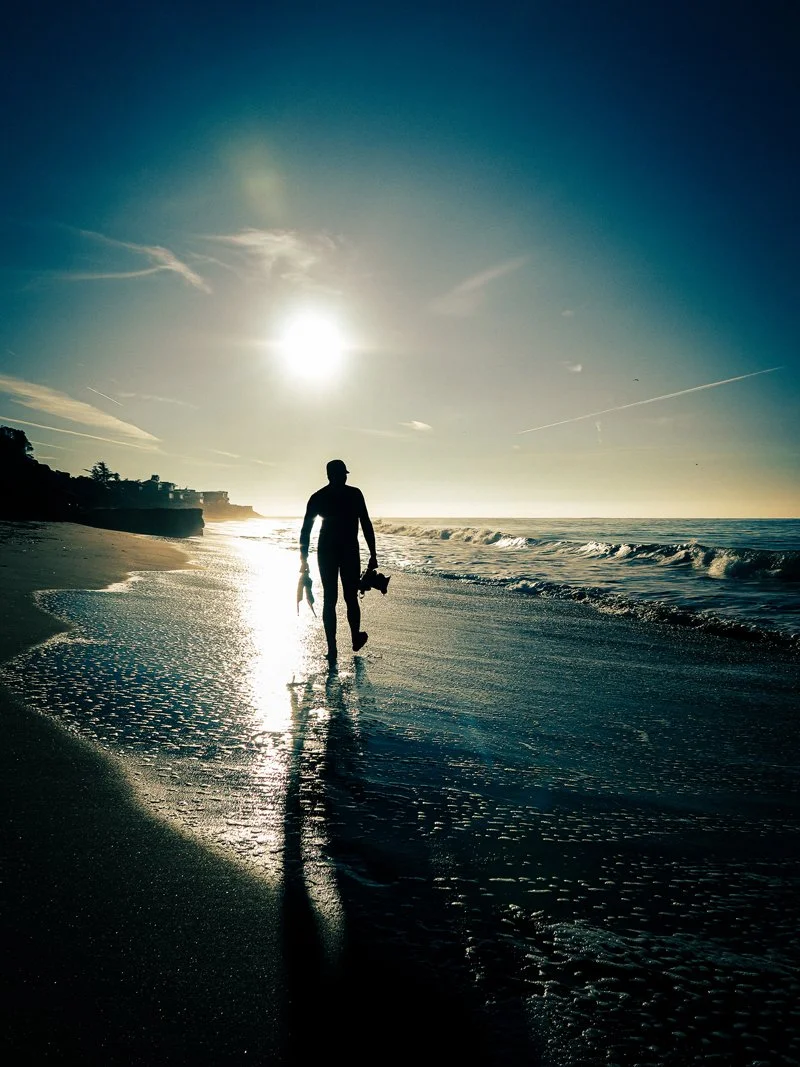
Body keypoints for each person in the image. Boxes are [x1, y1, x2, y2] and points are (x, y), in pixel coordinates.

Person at [299, 459, 378, 661]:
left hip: (326, 550)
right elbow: (366, 523)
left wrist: (304, 558)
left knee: (333, 598)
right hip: (348, 550)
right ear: (334, 475)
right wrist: (373, 554)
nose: (344, 477)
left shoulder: (318, 497)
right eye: (343, 474)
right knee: (346, 597)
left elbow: (306, 531)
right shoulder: (354, 494)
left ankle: (337, 646)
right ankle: (350, 639)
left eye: (345, 474)